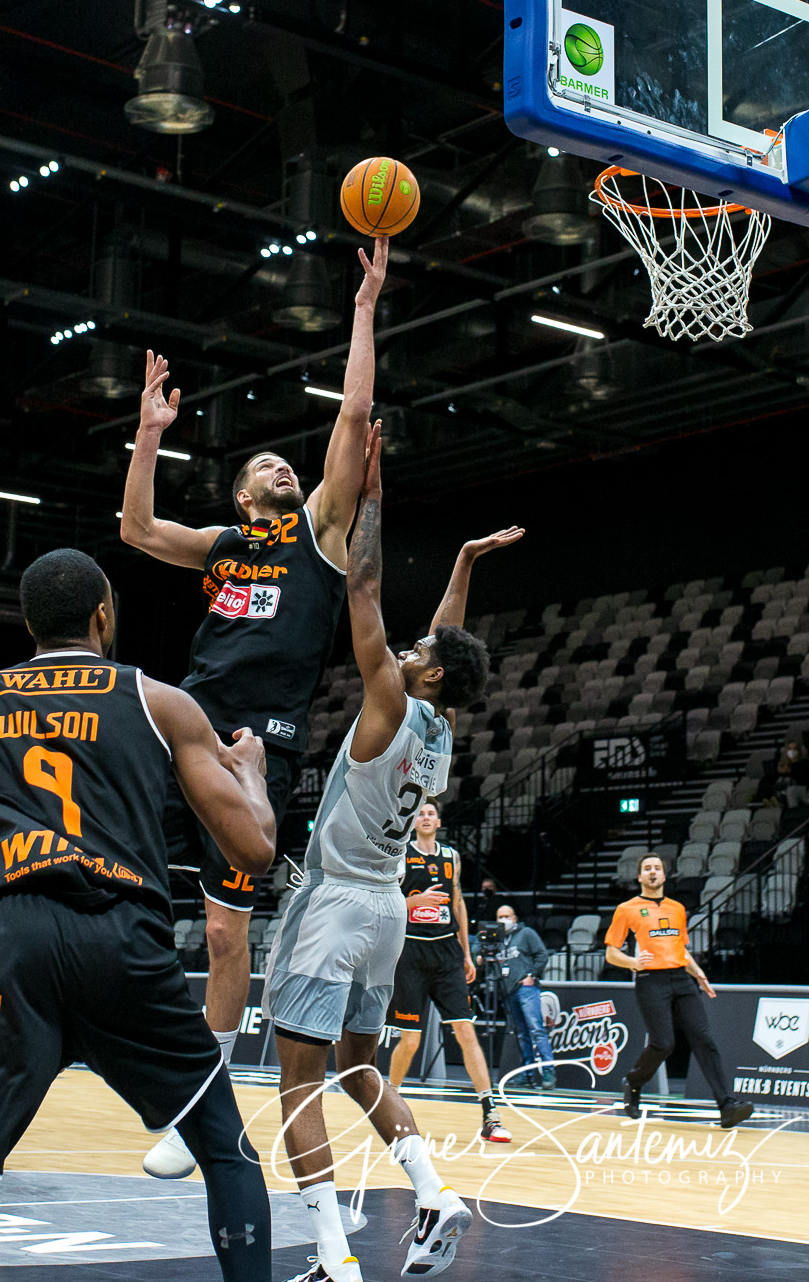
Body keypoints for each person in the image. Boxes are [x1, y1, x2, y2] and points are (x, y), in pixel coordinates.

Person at [0, 549, 278, 1282]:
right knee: (225, 1151)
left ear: (29, 624)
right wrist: (252, 777)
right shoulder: (160, 702)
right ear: (103, 614)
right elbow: (254, 850)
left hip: (0, 945)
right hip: (118, 939)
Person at [120, 239, 390, 1178]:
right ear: (242, 494)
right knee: (114, 876)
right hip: (182, 725)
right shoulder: (225, 544)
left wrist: (364, 306)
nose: (283, 468)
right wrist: (149, 433)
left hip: (254, 744)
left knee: (227, 931)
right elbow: (136, 529)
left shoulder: (320, 533)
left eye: (288, 463)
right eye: (268, 464)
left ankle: (201, 1105)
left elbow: (352, 413)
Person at [261, 420, 506, 1282]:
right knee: (360, 1068)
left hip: (333, 902)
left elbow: (361, 584)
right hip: (387, 914)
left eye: (417, 651)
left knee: (299, 1084)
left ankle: (335, 1258)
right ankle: (433, 1192)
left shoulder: (389, 701)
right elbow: (449, 643)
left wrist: (370, 492)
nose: (406, 648)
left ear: (426, 674)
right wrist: (462, 564)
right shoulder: (439, 727)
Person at [385, 801, 511, 1144]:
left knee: (466, 1032)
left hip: (447, 953)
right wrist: (413, 902)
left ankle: (490, 1115)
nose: (425, 817)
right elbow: (385, 900)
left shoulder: (451, 856)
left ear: (439, 821)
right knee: (411, 1040)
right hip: (411, 952)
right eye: (420, 813)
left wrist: (467, 952)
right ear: (413, 821)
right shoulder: (400, 855)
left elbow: (457, 903)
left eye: (431, 813)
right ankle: (388, 1105)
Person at [604, 855, 755, 1128]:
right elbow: (611, 953)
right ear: (639, 877)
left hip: (681, 979)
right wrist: (633, 962)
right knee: (663, 1044)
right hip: (650, 980)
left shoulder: (677, 908)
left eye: (657, 868)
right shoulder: (627, 909)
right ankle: (634, 1081)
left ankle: (727, 1106)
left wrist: (699, 974)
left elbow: (681, 950)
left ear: (664, 876)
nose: (652, 872)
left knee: (703, 1039)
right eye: (647, 868)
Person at [491, 904, 553, 1089]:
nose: (503, 920)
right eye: (500, 917)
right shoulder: (496, 939)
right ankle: (527, 1074)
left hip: (526, 988)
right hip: (508, 990)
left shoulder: (526, 933)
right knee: (521, 1033)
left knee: (536, 1029)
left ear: (515, 918)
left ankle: (549, 1072)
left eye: (507, 916)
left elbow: (542, 954)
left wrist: (532, 975)